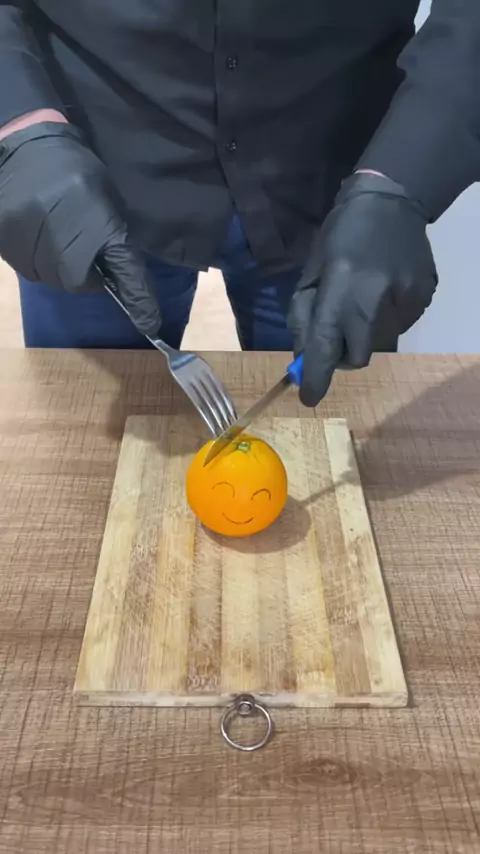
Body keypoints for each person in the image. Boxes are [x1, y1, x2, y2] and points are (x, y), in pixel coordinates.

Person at [0, 2, 479, 407]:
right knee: (84, 433)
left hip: (337, 189)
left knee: (333, 431)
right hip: (87, 184)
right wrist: (18, 126)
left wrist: (401, 179)